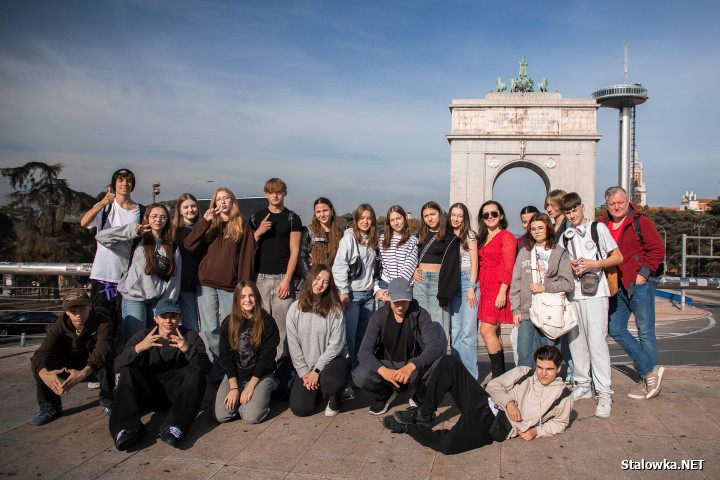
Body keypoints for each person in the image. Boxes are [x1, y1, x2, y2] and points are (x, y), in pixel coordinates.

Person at [381, 346, 573, 455]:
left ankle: (409, 428)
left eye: (549, 369)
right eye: (540, 367)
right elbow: (493, 386)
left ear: (558, 369)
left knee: (448, 446)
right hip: (488, 403)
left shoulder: (562, 395)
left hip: (497, 425)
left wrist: (536, 431)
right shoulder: (525, 372)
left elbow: (559, 423)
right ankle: (425, 413)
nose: (543, 373)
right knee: (449, 363)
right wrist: (509, 402)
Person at [110, 298, 211, 450]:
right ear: (155, 318)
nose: (168, 321)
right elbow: (117, 366)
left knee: (197, 371)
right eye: (164, 316)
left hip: (176, 397)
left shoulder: (190, 336)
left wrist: (188, 350)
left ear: (180, 317)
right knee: (129, 370)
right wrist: (138, 349)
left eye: (173, 316)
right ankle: (127, 429)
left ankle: (174, 426)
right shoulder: (143, 336)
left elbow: (207, 368)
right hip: (149, 394)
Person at [560, 193, 623, 418]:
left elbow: (617, 257)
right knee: (576, 341)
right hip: (573, 293)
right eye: (568, 212)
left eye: (574, 210)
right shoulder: (565, 235)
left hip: (596, 293)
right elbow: (559, 261)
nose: (572, 215)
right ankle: (582, 383)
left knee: (597, 341)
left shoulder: (598, 229)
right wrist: (571, 264)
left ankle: (604, 392)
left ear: (582, 207)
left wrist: (593, 264)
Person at [184, 187, 255, 381]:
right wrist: (204, 221)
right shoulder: (209, 223)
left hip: (230, 286)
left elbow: (246, 258)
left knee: (231, 330)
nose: (222, 202)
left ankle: (234, 370)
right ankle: (217, 372)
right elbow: (189, 245)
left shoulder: (242, 224)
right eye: (218, 199)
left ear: (232, 201)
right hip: (205, 283)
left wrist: (244, 287)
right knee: (209, 330)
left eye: (226, 198)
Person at [602, 186, 666, 399]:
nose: (617, 207)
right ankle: (650, 372)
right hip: (616, 286)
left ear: (627, 201)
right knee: (615, 327)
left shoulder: (640, 222)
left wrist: (644, 273)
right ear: (607, 205)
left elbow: (657, 249)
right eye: (612, 204)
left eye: (620, 202)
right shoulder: (603, 225)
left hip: (638, 283)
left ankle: (646, 380)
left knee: (645, 332)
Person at [352, 277, 444, 415]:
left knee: (441, 363)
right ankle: (383, 395)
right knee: (360, 375)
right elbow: (364, 352)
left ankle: (420, 395)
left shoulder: (421, 314)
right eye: (396, 302)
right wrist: (383, 370)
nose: (400, 306)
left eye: (404, 302)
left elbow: (435, 346)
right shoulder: (378, 316)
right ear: (388, 297)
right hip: (387, 365)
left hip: (412, 368)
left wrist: (411, 367)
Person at [96, 203, 182, 343]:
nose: (158, 220)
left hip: (157, 301)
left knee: (157, 340)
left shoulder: (172, 246)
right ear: (147, 218)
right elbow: (102, 237)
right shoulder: (135, 241)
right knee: (135, 341)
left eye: (162, 217)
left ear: (167, 220)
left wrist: (167, 303)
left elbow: (175, 278)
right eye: (154, 216)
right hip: (133, 298)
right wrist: (132, 230)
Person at [30, 289, 115, 425]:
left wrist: (84, 373)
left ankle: (108, 401)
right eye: (73, 311)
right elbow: (43, 351)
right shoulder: (60, 325)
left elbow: (103, 348)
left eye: (82, 309)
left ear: (89, 306)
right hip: (68, 365)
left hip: (91, 365)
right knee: (40, 364)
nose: (78, 315)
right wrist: (44, 373)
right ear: (67, 312)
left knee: (106, 359)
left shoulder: (102, 321)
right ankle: (50, 407)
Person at [80, 168, 144, 342]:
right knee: (100, 324)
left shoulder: (140, 211)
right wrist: (102, 203)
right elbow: (84, 222)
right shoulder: (106, 207)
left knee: (123, 325)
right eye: (121, 180)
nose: (125, 184)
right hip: (103, 274)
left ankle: (120, 365)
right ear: (114, 183)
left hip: (127, 276)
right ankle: (99, 364)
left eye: (129, 181)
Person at [510, 213, 573, 369]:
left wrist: (545, 287)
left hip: (550, 311)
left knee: (549, 354)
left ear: (548, 229)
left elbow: (568, 283)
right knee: (524, 353)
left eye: (540, 228)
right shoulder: (524, 252)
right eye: (533, 229)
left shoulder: (560, 252)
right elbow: (516, 282)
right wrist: (515, 309)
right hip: (526, 311)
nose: (537, 232)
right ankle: (526, 387)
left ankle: (548, 388)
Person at [286, 265, 351, 417]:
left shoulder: (335, 309)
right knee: (300, 409)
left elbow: (337, 345)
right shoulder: (295, 308)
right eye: (317, 279)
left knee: (333, 382)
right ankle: (320, 390)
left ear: (329, 286)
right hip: (307, 368)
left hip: (332, 362)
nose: (320, 284)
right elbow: (293, 345)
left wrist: (317, 370)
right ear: (310, 279)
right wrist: (304, 374)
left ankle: (335, 398)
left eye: (325, 282)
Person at [212, 281, 279, 424]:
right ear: (237, 300)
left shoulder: (268, 322)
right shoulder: (228, 323)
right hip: (236, 375)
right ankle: (247, 399)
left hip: (260, 375)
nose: (247, 300)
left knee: (250, 417)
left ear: (257, 297)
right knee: (222, 415)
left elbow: (266, 358)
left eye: (251, 295)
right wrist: (234, 388)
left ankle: (268, 388)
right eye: (242, 297)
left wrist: (250, 387)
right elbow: (226, 357)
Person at [251, 178, 303, 361]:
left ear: (285, 193)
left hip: (282, 278)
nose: (275, 195)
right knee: (259, 324)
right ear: (266, 194)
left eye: (278, 192)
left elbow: (295, 251)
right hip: (260, 278)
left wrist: (287, 280)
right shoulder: (256, 217)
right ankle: (260, 365)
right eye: (271, 192)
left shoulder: (292, 219)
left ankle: (279, 367)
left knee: (282, 328)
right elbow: (248, 246)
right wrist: (258, 231)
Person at [332, 203, 378, 373]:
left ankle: (359, 371)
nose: (365, 222)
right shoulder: (349, 238)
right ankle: (348, 374)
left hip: (368, 295)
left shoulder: (373, 239)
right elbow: (339, 265)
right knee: (349, 337)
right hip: (352, 295)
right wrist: (343, 291)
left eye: (369, 218)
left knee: (364, 337)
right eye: (362, 218)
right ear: (356, 219)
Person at [477, 200, 515, 378]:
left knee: (486, 330)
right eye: (486, 215)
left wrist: (502, 291)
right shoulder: (483, 238)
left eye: (494, 213)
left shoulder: (506, 236)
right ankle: (501, 377)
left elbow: (509, 265)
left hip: (497, 288)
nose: (490, 217)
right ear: (482, 219)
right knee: (494, 331)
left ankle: (498, 375)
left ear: (500, 215)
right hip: (484, 289)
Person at [413, 201, 459, 342]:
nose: (430, 218)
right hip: (419, 282)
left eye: (432, 214)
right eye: (426, 216)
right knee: (420, 323)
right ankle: (424, 361)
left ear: (440, 214)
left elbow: (452, 266)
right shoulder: (418, 236)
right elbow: (412, 258)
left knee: (439, 326)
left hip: (438, 282)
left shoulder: (450, 237)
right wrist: (413, 271)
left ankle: (440, 362)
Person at [447, 203, 479, 379]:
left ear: (464, 217)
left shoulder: (470, 235)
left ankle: (470, 376)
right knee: (456, 332)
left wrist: (471, 288)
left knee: (468, 332)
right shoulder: (447, 235)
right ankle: (456, 375)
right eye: (453, 215)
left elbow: (475, 263)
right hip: (453, 283)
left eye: (459, 215)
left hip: (468, 281)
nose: (456, 219)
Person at [511, 205, 540, 366]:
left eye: (531, 220)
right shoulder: (520, 244)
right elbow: (516, 278)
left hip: (545, 304)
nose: (528, 225)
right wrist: (516, 307)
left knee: (542, 346)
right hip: (525, 305)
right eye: (524, 222)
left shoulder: (552, 245)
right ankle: (524, 378)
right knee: (523, 348)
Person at [374, 205, 418, 308]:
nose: (396, 223)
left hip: (404, 287)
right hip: (385, 285)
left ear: (404, 218)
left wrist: (396, 291)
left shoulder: (413, 241)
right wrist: (377, 288)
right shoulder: (381, 240)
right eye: (392, 220)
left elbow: (409, 267)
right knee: (384, 321)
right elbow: (378, 266)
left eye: (398, 218)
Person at [171, 193, 202, 332]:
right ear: (179, 210)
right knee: (189, 327)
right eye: (186, 207)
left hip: (197, 285)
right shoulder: (173, 231)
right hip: (181, 285)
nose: (190, 210)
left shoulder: (202, 228)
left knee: (196, 327)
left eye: (193, 206)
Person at [297, 197, 343, 284]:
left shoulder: (340, 233)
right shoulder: (309, 231)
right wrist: (311, 281)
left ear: (332, 211)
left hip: (333, 282)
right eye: (318, 212)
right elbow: (302, 257)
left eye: (325, 210)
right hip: (312, 282)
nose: (322, 215)